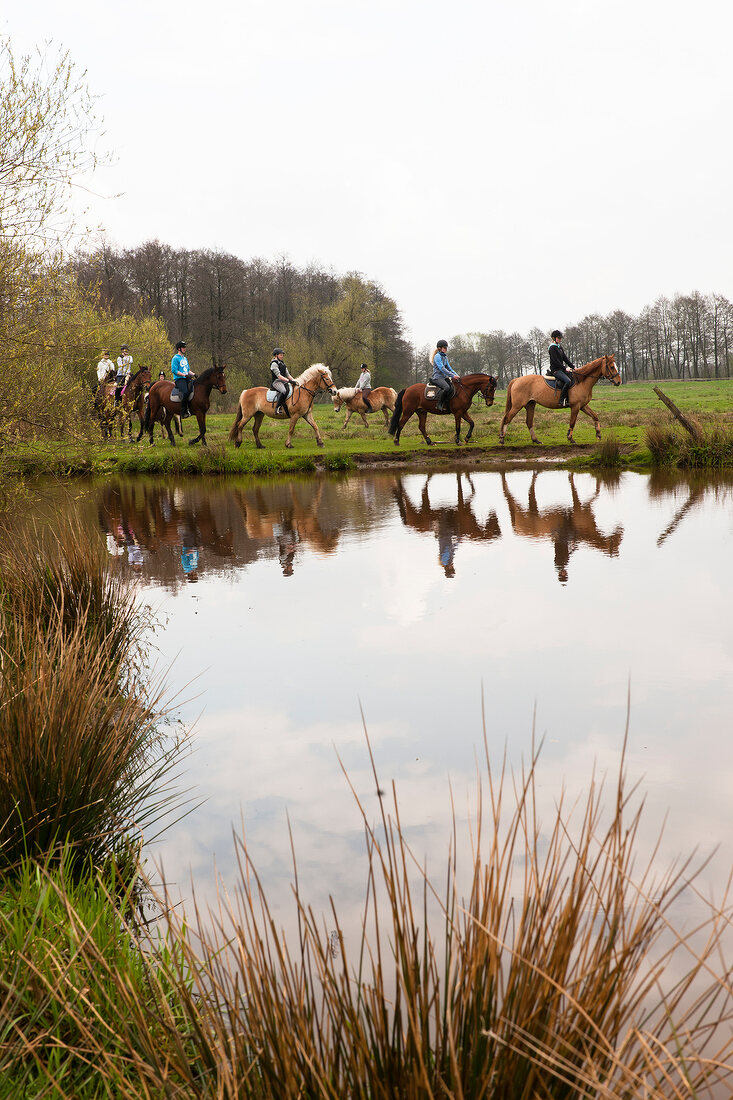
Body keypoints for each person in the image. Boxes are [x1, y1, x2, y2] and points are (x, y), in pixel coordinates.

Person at [548, 330, 576, 408]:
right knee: (568, 381)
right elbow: (556, 361)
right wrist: (565, 368)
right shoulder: (552, 348)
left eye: (561, 338)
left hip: (561, 369)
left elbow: (565, 359)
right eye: (559, 338)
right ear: (554, 338)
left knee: (572, 377)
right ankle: (561, 400)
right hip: (556, 370)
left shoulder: (559, 347)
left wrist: (573, 367)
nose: (560, 339)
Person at [430, 340, 460, 412]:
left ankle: (448, 403)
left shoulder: (445, 357)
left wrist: (457, 375)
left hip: (444, 378)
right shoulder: (437, 356)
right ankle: (439, 404)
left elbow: (449, 368)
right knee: (446, 387)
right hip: (437, 378)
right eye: (444, 347)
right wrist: (452, 376)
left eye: (446, 347)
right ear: (439, 348)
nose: (446, 349)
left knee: (452, 387)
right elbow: (442, 368)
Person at [269, 347, 297, 416]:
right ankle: (277, 408)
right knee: (283, 391)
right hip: (277, 382)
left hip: (284, 381)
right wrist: (288, 381)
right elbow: (279, 376)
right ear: (276, 355)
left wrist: (295, 381)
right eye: (281, 355)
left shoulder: (282, 363)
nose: (282, 356)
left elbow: (288, 375)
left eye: (282, 355)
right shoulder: (274, 364)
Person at [171, 340, 194, 418]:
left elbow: (187, 370)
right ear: (179, 349)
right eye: (183, 347)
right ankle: (183, 411)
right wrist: (184, 375)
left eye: (185, 347)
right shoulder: (175, 358)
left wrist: (194, 374)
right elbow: (174, 370)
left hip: (186, 378)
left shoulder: (185, 359)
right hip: (179, 379)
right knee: (185, 392)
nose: (185, 349)